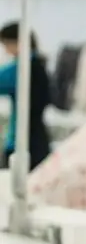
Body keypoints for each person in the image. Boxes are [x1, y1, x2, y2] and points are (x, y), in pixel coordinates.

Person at [0, 22, 52, 171]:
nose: (5, 50)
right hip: (37, 139)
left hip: (23, 141)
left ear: (17, 42)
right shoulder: (39, 65)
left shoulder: (22, 68)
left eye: (6, 44)